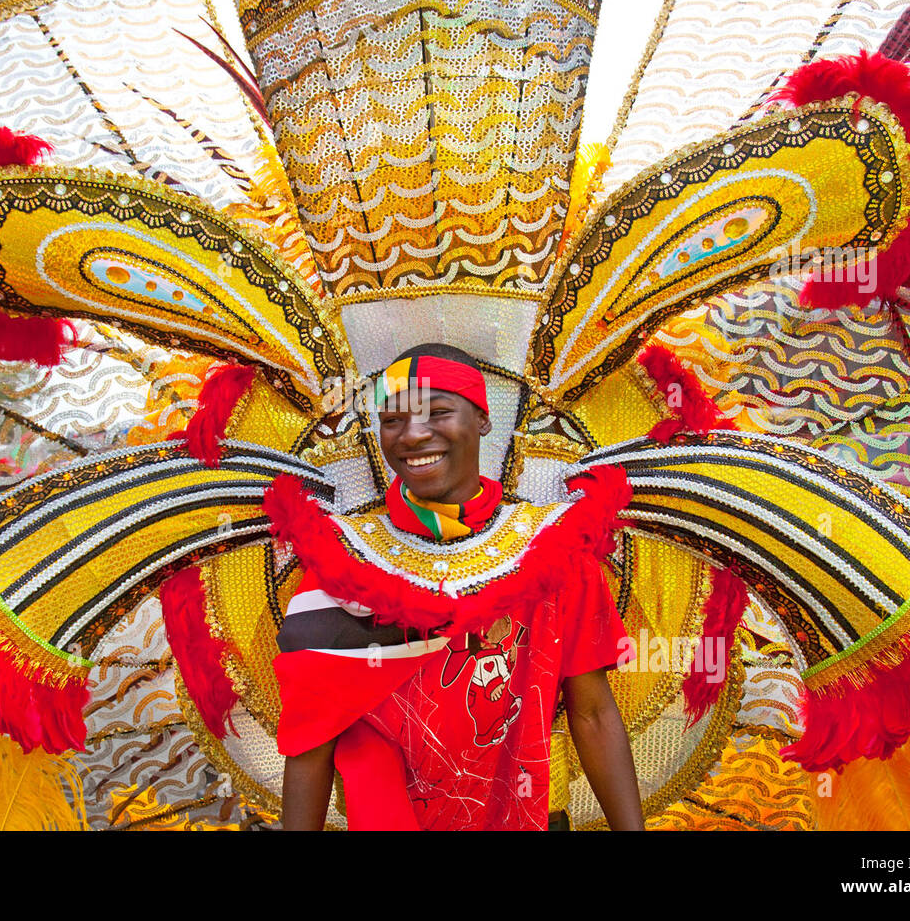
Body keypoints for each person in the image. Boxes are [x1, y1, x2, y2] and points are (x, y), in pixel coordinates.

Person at [274, 343, 645, 830]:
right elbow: (311, 741)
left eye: (439, 412)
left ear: (483, 420)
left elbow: (593, 713)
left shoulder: (554, 547)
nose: (413, 434)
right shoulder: (342, 558)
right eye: (392, 420)